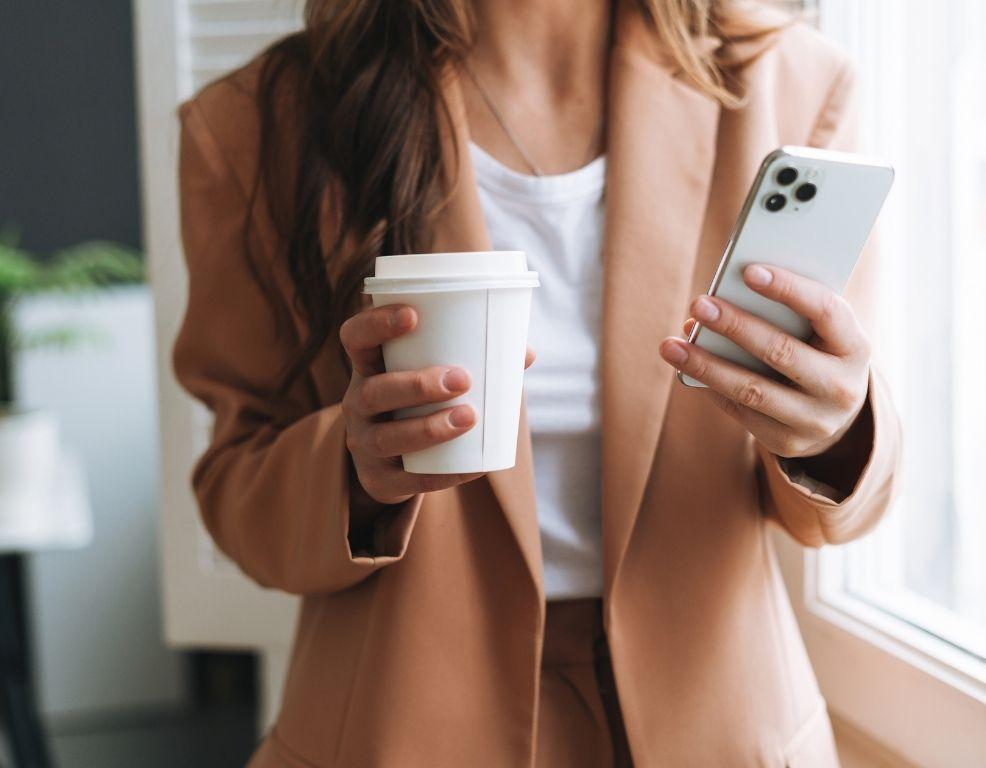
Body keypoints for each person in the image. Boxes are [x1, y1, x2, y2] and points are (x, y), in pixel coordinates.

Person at [174, 0, 901, 765]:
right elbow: (234, 484)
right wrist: (352, 469)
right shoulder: (258, 127)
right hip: (400, 726)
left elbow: (844, 495)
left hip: (718, 724)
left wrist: (835, 430)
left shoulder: (789, 82)